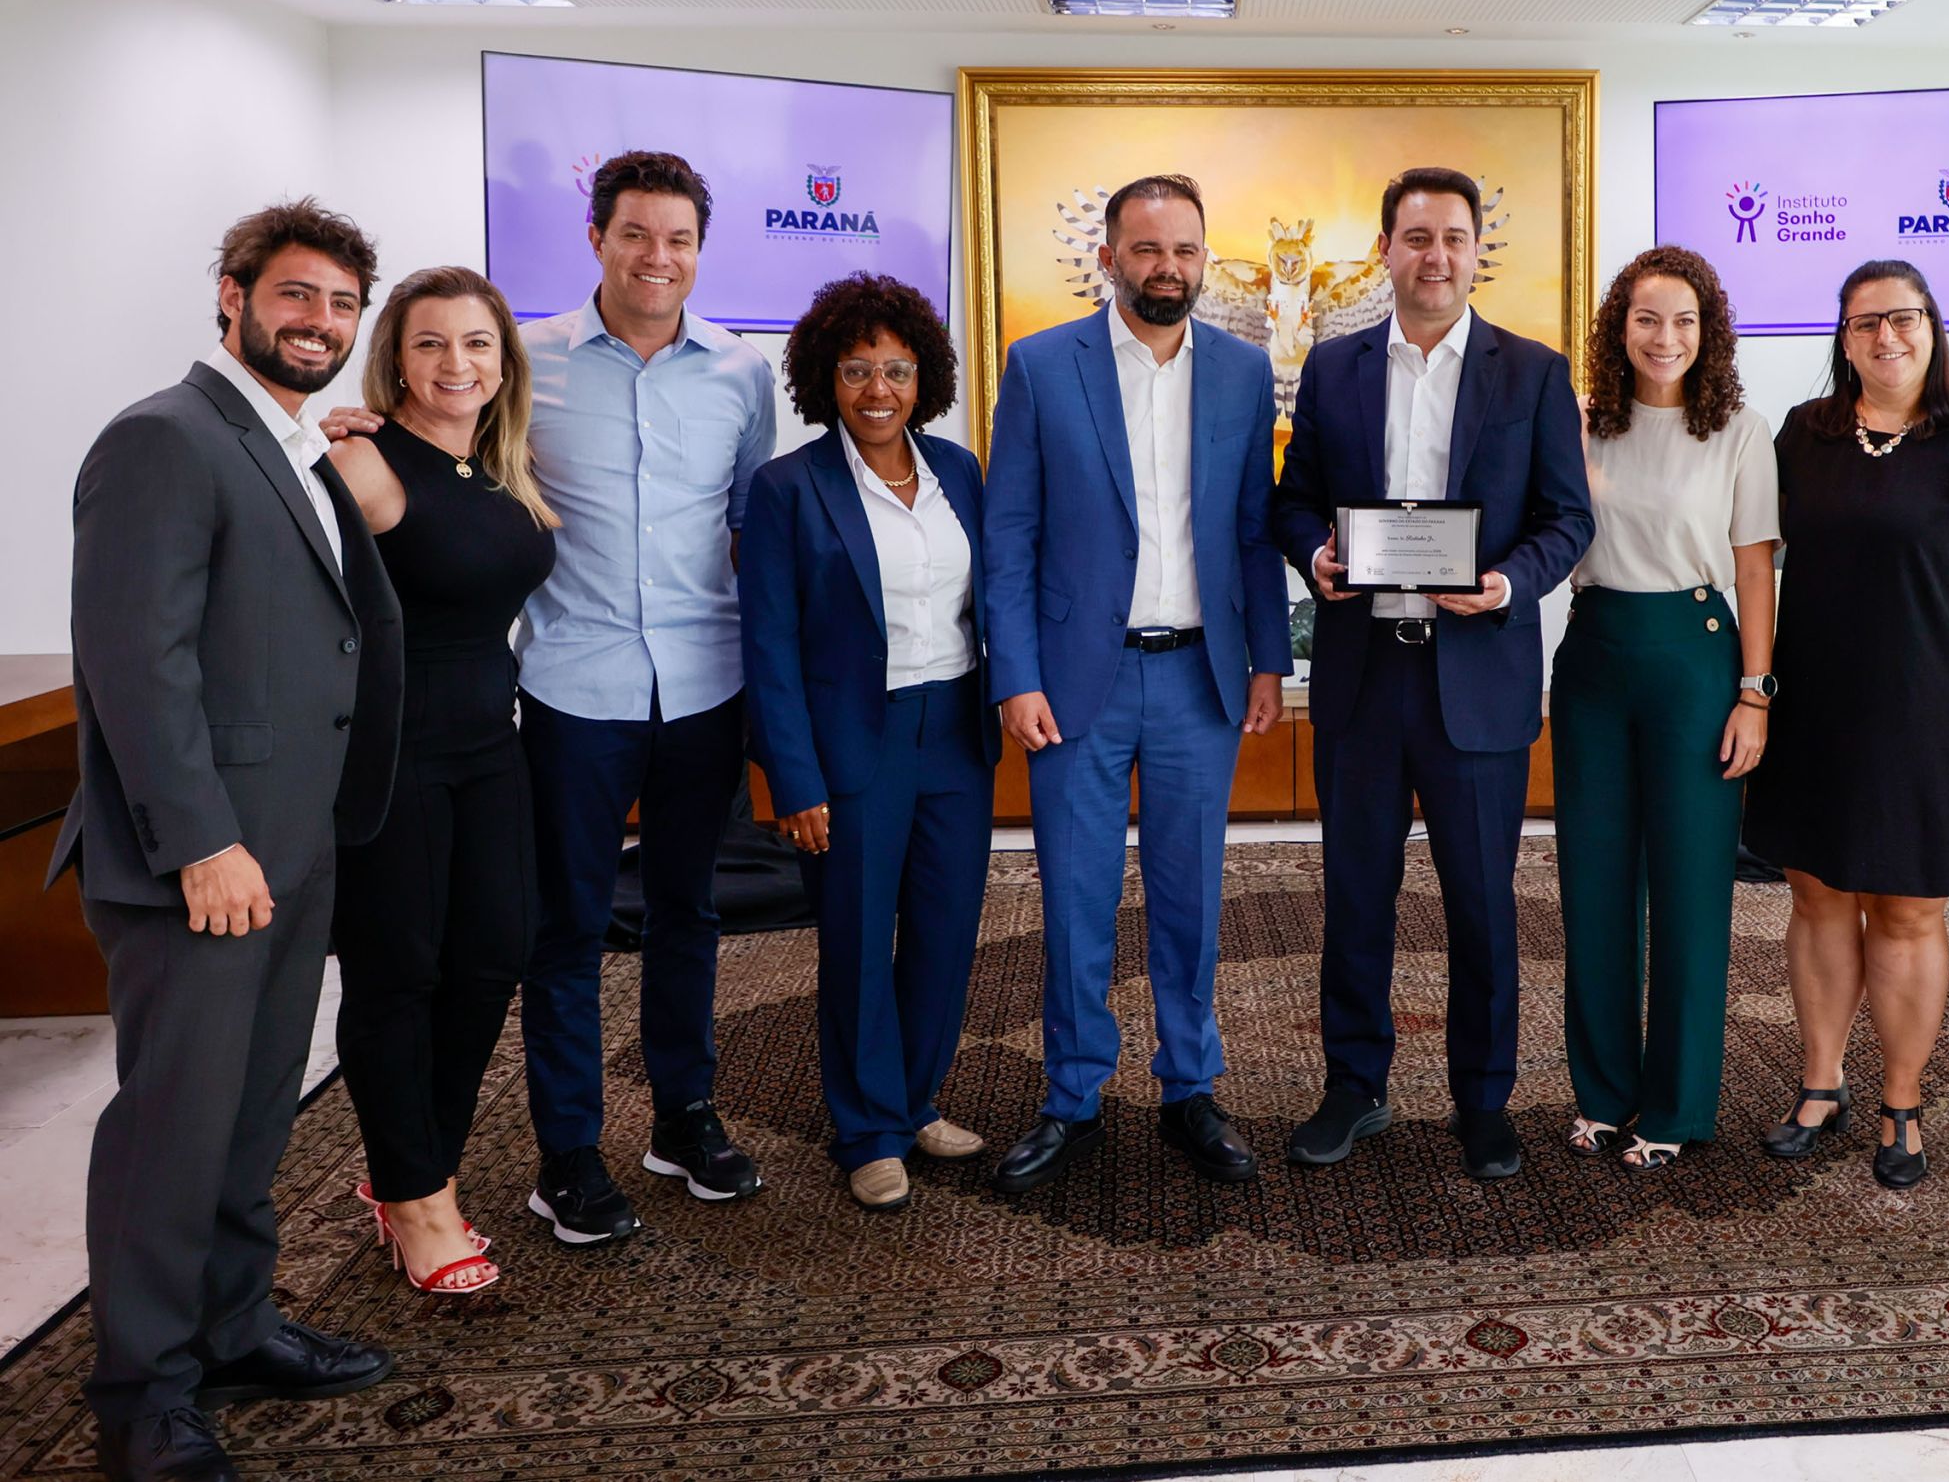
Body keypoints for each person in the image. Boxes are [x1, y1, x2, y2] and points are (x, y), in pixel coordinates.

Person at [338, 151, 779, 1242]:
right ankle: (567, 1155)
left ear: (699, 249)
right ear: (597, 238)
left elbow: (743, 527)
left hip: (704, 685)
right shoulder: (519, 361)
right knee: (566, 930)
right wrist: (361, 431)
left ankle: (684, 1116)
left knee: (690, 914)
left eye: (678, 238)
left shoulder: (740, 374)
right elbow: (447, 471)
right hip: (571, 693)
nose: (657, 257)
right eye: (636, 234)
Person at [49, 201, 402, 1480]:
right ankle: (141, 1393)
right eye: (297, 297)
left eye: (341, 306)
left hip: (289, 846)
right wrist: (201, 840)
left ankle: (234, 1325)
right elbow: (138, 666)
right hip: (202, 862)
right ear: (231, 297)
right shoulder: (162, 439)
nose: (320, 324)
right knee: (171, 1130)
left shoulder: (288, 446)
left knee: (254, 1113)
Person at [1274, 166, 1594, 1182]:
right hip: (1365, 678)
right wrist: (1315, 554)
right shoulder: (1332, 369)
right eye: (1416, 238)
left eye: (1453, 238)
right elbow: (1293, 501)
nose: (1436, 256)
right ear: (1385, 252)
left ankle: (1482, 1098)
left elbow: (1567, 520)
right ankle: (1352, 1086)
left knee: (1481, 905)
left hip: (1478, 681)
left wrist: (1504, 585)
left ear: (1474, 252)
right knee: (1356, 895)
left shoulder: (1533, 373)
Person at [981, 175, 1292, 1192]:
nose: (1167, 268)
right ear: (1109, 256)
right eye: (1147, 250)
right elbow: (1010, 535)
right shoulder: (1040, 366)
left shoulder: (1245, 373)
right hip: (1078, 681)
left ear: (1208, 260)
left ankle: (1189, 1087)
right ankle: (1071, 1093)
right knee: (1072, 895)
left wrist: (1266, 661)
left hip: (1198, 676)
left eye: (1185, 251)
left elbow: (1252, 527)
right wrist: (1014, 675)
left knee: (1190, 897)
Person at [1746, 258, 1949, 1189]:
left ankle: (1901, 1100)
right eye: (1866, 322)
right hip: (1818, 702)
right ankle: (1819, 1086)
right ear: (1843, 336)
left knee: (1909, 908)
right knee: (1819, 895)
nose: (1887, 337)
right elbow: (1752, 552)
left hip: (1929, 710)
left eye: (1903, 318)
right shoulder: (1804, 433)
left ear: (1933, 326)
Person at [740, 274, 999, 1212]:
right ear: (824, 377)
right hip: (853, 744)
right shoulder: (788, 490)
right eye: (856, 369)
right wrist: (793, 776)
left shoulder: (960, 472)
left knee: (943, 930)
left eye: (896, 367)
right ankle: (866, 1129)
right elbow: (767, 645)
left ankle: (917, 1098)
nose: (878, 388)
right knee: (855, 938)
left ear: (923, 374)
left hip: (956, 736)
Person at [325, 267, 558, 1291]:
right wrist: (325, 441)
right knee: (397, 976)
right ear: (396, 358)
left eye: (476, 343)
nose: (455, 363)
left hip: (489, 749)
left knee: (493, 958)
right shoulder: (371, 464)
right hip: (396, 758)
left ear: (502, 361)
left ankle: (419, 1170)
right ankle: (418, 1200)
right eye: (430, 344)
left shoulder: (499, 470)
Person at [1553, 246, 1777, 1171]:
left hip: (1697, 656)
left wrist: (1754, 692)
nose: (1665, 337)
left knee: (1690, 892)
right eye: (1647, 318)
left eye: (1683, 320)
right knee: (1594, 887)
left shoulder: (1738, 431)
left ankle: (1677, 1107)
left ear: (1708, 330)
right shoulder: (1579, 425)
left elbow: (1756, 568)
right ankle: (1603, 1094)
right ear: (1620, 328)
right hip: (1595, 657)